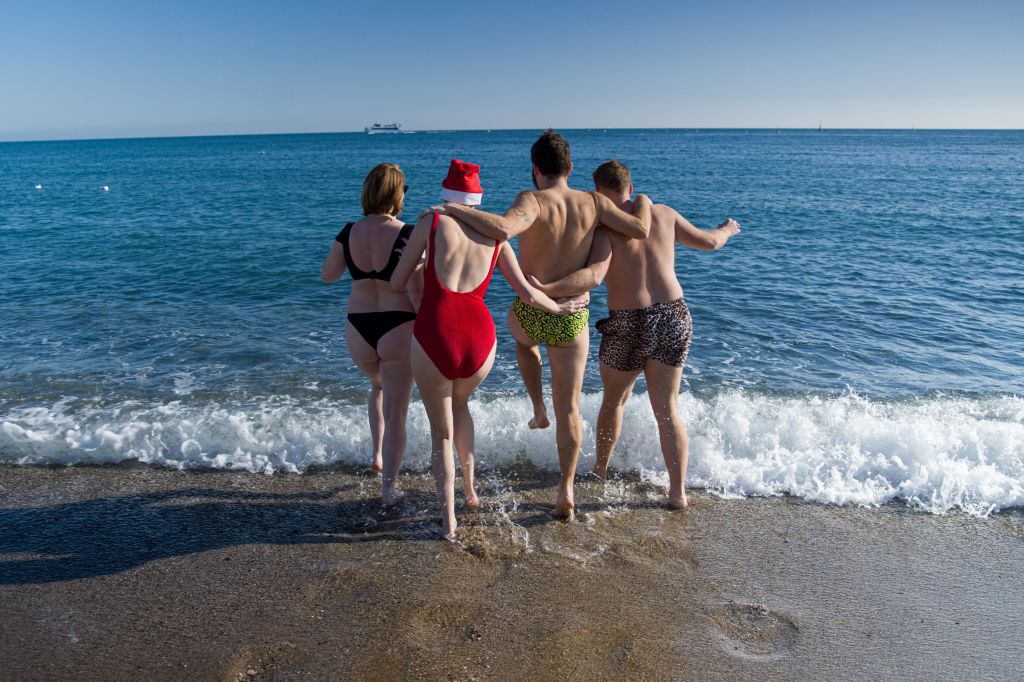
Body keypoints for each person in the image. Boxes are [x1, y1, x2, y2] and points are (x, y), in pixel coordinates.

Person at [425, 131, 651, 520]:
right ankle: (565, 490)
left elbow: (502, 229)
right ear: (571, 168)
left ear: (535, 169)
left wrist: (455, 210)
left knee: (522, 340)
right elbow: (640, 229)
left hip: (531, 314)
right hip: (571, 319)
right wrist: (643, 201)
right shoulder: (594, 202)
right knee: (572, 408)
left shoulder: (532, 200)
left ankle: (535, 406)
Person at [392, 159, 585, 541]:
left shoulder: (432, 222)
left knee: (441, 434)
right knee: (461, 406)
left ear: (446, 195)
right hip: (481, 340)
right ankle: (472, 492)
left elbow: (399, 282)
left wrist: (426, 266)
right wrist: (560, 307)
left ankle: (449, 521)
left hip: (437, 331)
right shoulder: (498, 238)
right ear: (476, 200)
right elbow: (528, 293)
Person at [530, 160, 740, 508]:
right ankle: (678, 493)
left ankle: (600, 472)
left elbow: (595, 276)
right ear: (631, 186)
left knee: (614, 401)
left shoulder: (604, 228)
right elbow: (710, 243)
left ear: (599, 192)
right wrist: (728, 229)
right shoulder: (664, 214)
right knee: (667, 407)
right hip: (673, 316)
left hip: (628, 322)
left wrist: (546, 289)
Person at [321, 163, 420, 506]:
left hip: (358, 329)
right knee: (397, 411)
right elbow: (418, 289)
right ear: (398, 194)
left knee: (376, 386)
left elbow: (329, 275)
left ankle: (376, 456)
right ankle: (390, 490)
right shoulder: (408, 234)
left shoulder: (348, 231)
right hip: (398, 326)